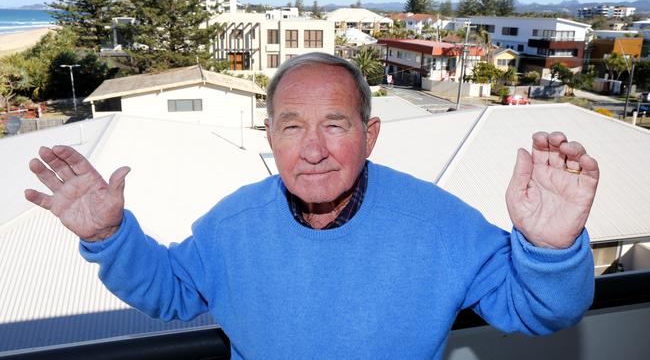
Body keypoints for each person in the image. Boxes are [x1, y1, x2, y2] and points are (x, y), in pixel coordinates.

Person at [25, 53, 599, 359]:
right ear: (269, 136)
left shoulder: (440, 225)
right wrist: (109, 236)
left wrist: (550, 250)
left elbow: (542, 312)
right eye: (293, 126)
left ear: (370, 136)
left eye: (335, 124)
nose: (315, 150)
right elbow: (171, 291)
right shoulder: (232, 224)